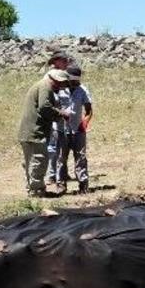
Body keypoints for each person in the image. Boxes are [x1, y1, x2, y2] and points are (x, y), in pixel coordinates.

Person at [17, 69, 70, 197]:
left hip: (28, 131)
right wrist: (61, 113)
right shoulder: (45, 87)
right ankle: (37, 191)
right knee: (39, 161)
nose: (60, 88)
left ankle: (33, 189)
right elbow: (44, 107)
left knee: (31, 162)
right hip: (35, 132)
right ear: (56, 81)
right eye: (60, 84)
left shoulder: (41, 86)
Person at [55, 65, 93, 194]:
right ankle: (61, 185)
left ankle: (83, 185)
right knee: (61, 158)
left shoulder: (83, 90)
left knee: (80, 157)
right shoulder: (59, 89)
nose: (74, 83)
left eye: (76, 81)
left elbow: (88, 111)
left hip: (78, 130)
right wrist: (61, 114)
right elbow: (52, 107)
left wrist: (85, 123)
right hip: (61, 129)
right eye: (72, 80)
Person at [44, 51, 74, 188]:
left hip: (63, 117)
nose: (66, 63)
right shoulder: (50, 77)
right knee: (53, 148)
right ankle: (51, 175)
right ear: (56, 61)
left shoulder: (64, 76)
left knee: (63, 147)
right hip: (56, 117)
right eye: (64, 60)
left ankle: (61, 174)